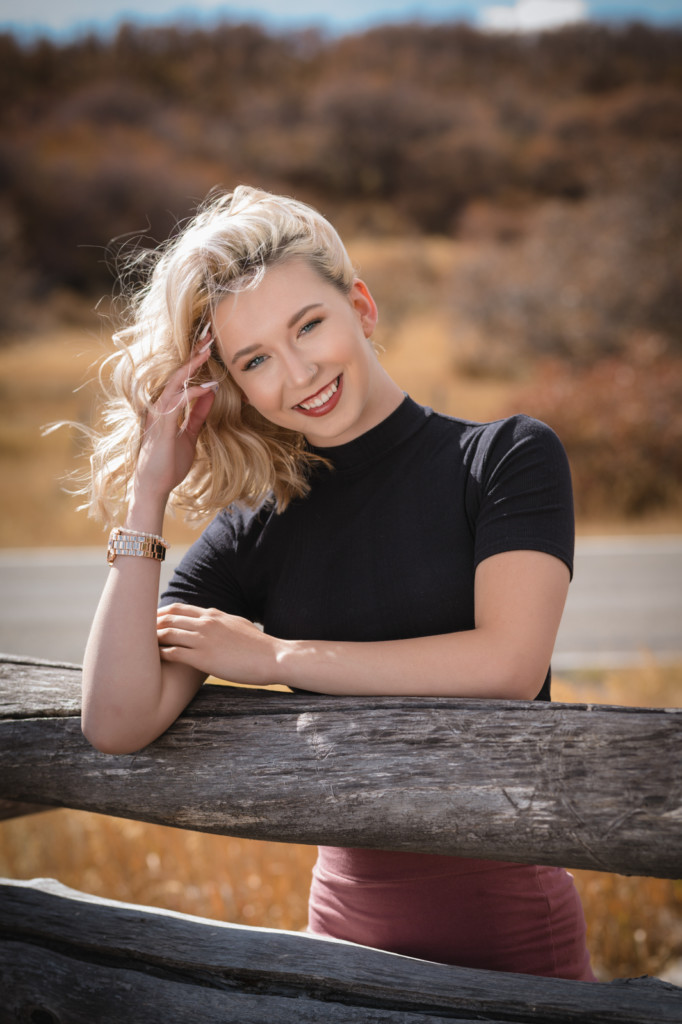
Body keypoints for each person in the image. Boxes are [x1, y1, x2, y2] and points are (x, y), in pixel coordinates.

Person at [81, 184, 595, 981]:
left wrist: (278, 658)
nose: (298, 373)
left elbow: (506, 666)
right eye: (256, 360)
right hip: (339, 942)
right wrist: (149, 490)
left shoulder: (504, 459)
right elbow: (115, 719)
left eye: (308, 325)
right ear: (236, 387)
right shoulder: (258, 528)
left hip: (508, 934)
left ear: (361, 305)